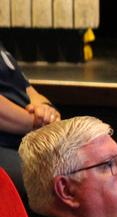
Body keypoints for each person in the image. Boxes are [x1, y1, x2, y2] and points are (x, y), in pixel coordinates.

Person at [0, 41, 60, 205]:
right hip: (5, 143)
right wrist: (37, 123)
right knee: (50, 178)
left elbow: (28, 89)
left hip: (29, 135)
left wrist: (46, 109)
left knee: (94, 162)